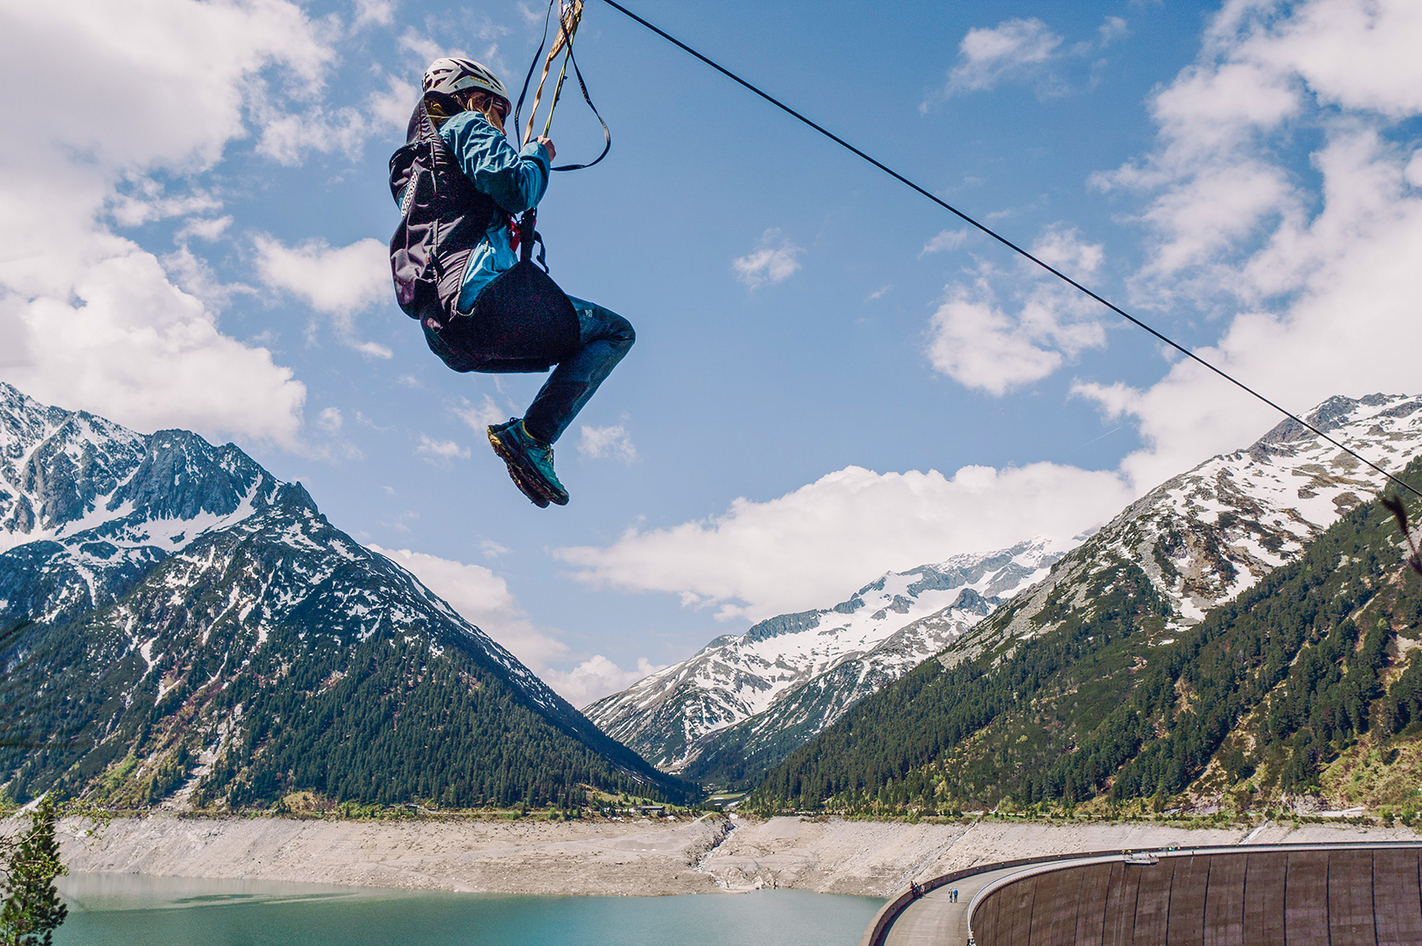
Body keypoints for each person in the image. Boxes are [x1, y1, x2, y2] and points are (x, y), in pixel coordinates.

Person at [389, 58, 635, 507]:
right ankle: (532, 438)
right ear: (474, 96)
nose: (500, 126)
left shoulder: (415, 169)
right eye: (498, 113)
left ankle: (531, 439)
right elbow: (516, 185)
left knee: (582, 339)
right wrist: (538, 156)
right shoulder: (465, 125)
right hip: (480, 298)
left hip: (446, 332)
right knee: (616, 332)